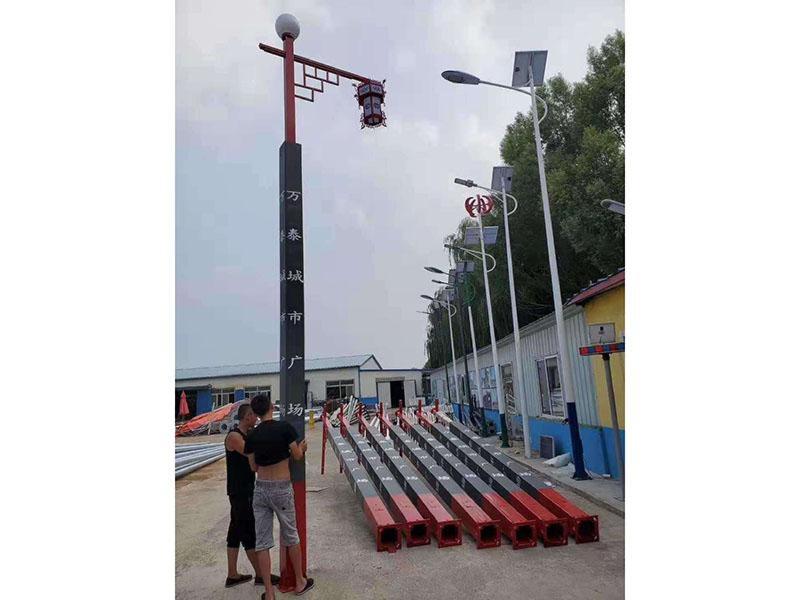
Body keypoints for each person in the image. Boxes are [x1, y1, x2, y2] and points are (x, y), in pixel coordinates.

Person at [245, 393, 314, 599]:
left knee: (262, 541)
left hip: (261, 489)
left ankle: (269, 593)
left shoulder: (252, 436)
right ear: (271, 407)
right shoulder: (284, 428)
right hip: (281, 488)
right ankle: (300, 582)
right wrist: (302, 447)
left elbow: (253, 467)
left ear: (256, 413)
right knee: (291, 535)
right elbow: (297, 455)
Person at [223, 402, 278, 589]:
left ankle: (232, 575)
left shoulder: (248, 434)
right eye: (255, 415)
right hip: (240, 491)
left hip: (245, 489)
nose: (257, 418)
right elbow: (252, 454)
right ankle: (261, 575)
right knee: (248, 532)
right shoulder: (235, 437)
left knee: (235, 532)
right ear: (247, 417)